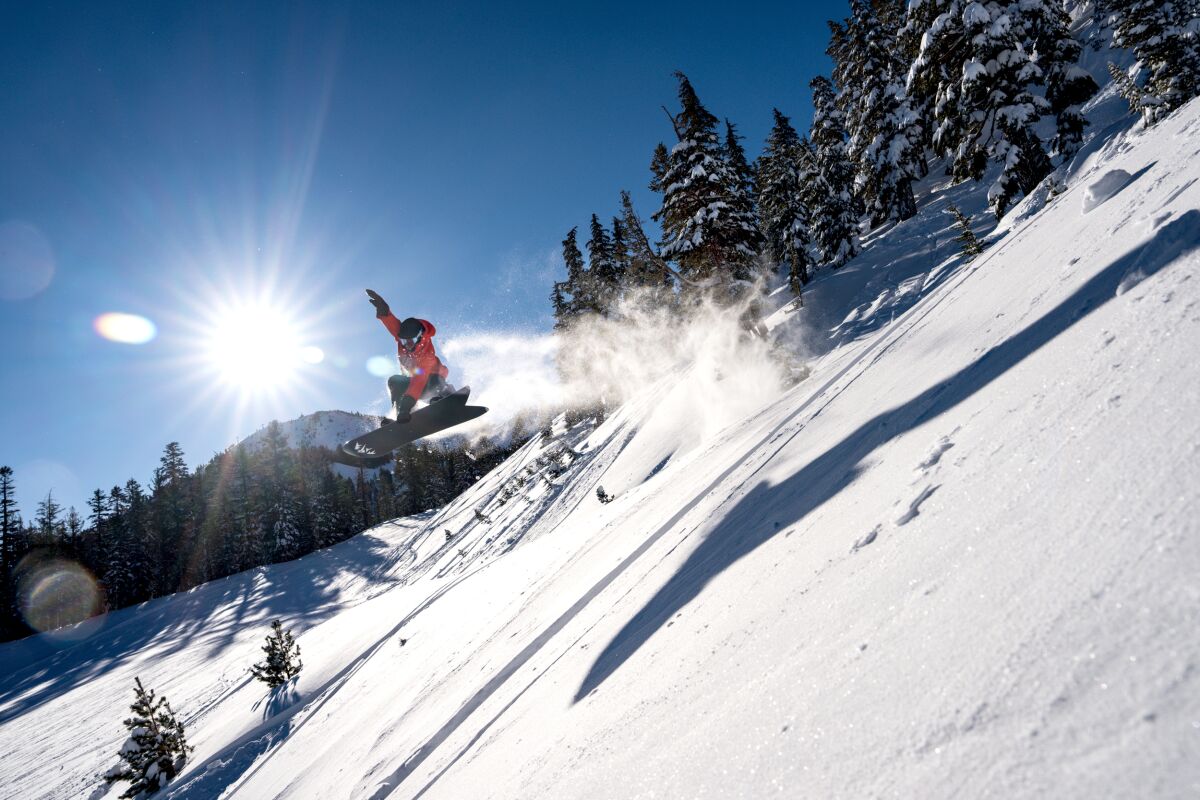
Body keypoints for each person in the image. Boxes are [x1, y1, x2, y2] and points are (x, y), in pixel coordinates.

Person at [365, 289, 453, 424]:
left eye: (410, 341)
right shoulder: (403, 339)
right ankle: (400, 414)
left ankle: (443, 397)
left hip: (431, 384)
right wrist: (383, 311)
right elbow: (393, 325)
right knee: (395, 380)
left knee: (434, 379)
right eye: (404, 341)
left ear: (419, 337)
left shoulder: (426, 356)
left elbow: (419, 380)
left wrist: (407, 406)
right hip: (414, 387)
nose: (407, 345)